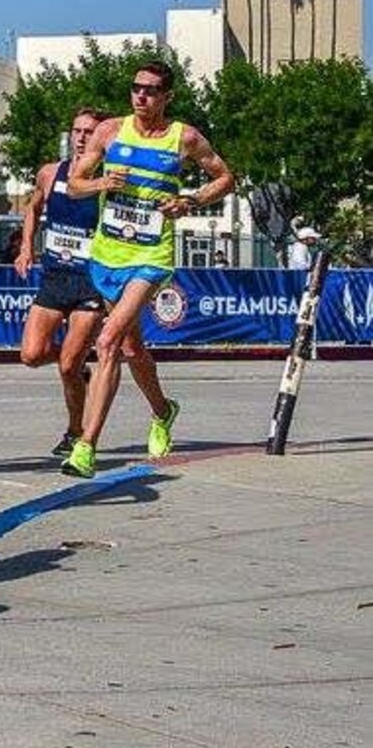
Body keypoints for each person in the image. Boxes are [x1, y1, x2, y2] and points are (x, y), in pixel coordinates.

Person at [61, 59, 233, 478]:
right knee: (133, 349)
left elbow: (225, 178)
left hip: (151, 256)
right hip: (107, 255)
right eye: (137, 88)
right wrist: (103, 183)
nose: (142, 96)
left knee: (108, 341)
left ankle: (86, 447)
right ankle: (163, 410)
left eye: (152, 90)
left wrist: (189, 201)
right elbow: (74, 183)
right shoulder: (110, 131)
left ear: (167, 96)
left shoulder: (184, 137)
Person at [16, 108, 182, 458]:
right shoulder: (51, 173)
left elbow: (138, 210)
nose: (81, 138)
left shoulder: (118, 175)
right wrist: (26, 246)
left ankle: (79, 433)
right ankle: (158, 406)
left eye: (89, 132)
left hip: (97, 274)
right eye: (76, 131)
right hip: (56, 274)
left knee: (87, 358)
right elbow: (33, 207)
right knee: (32, 354)